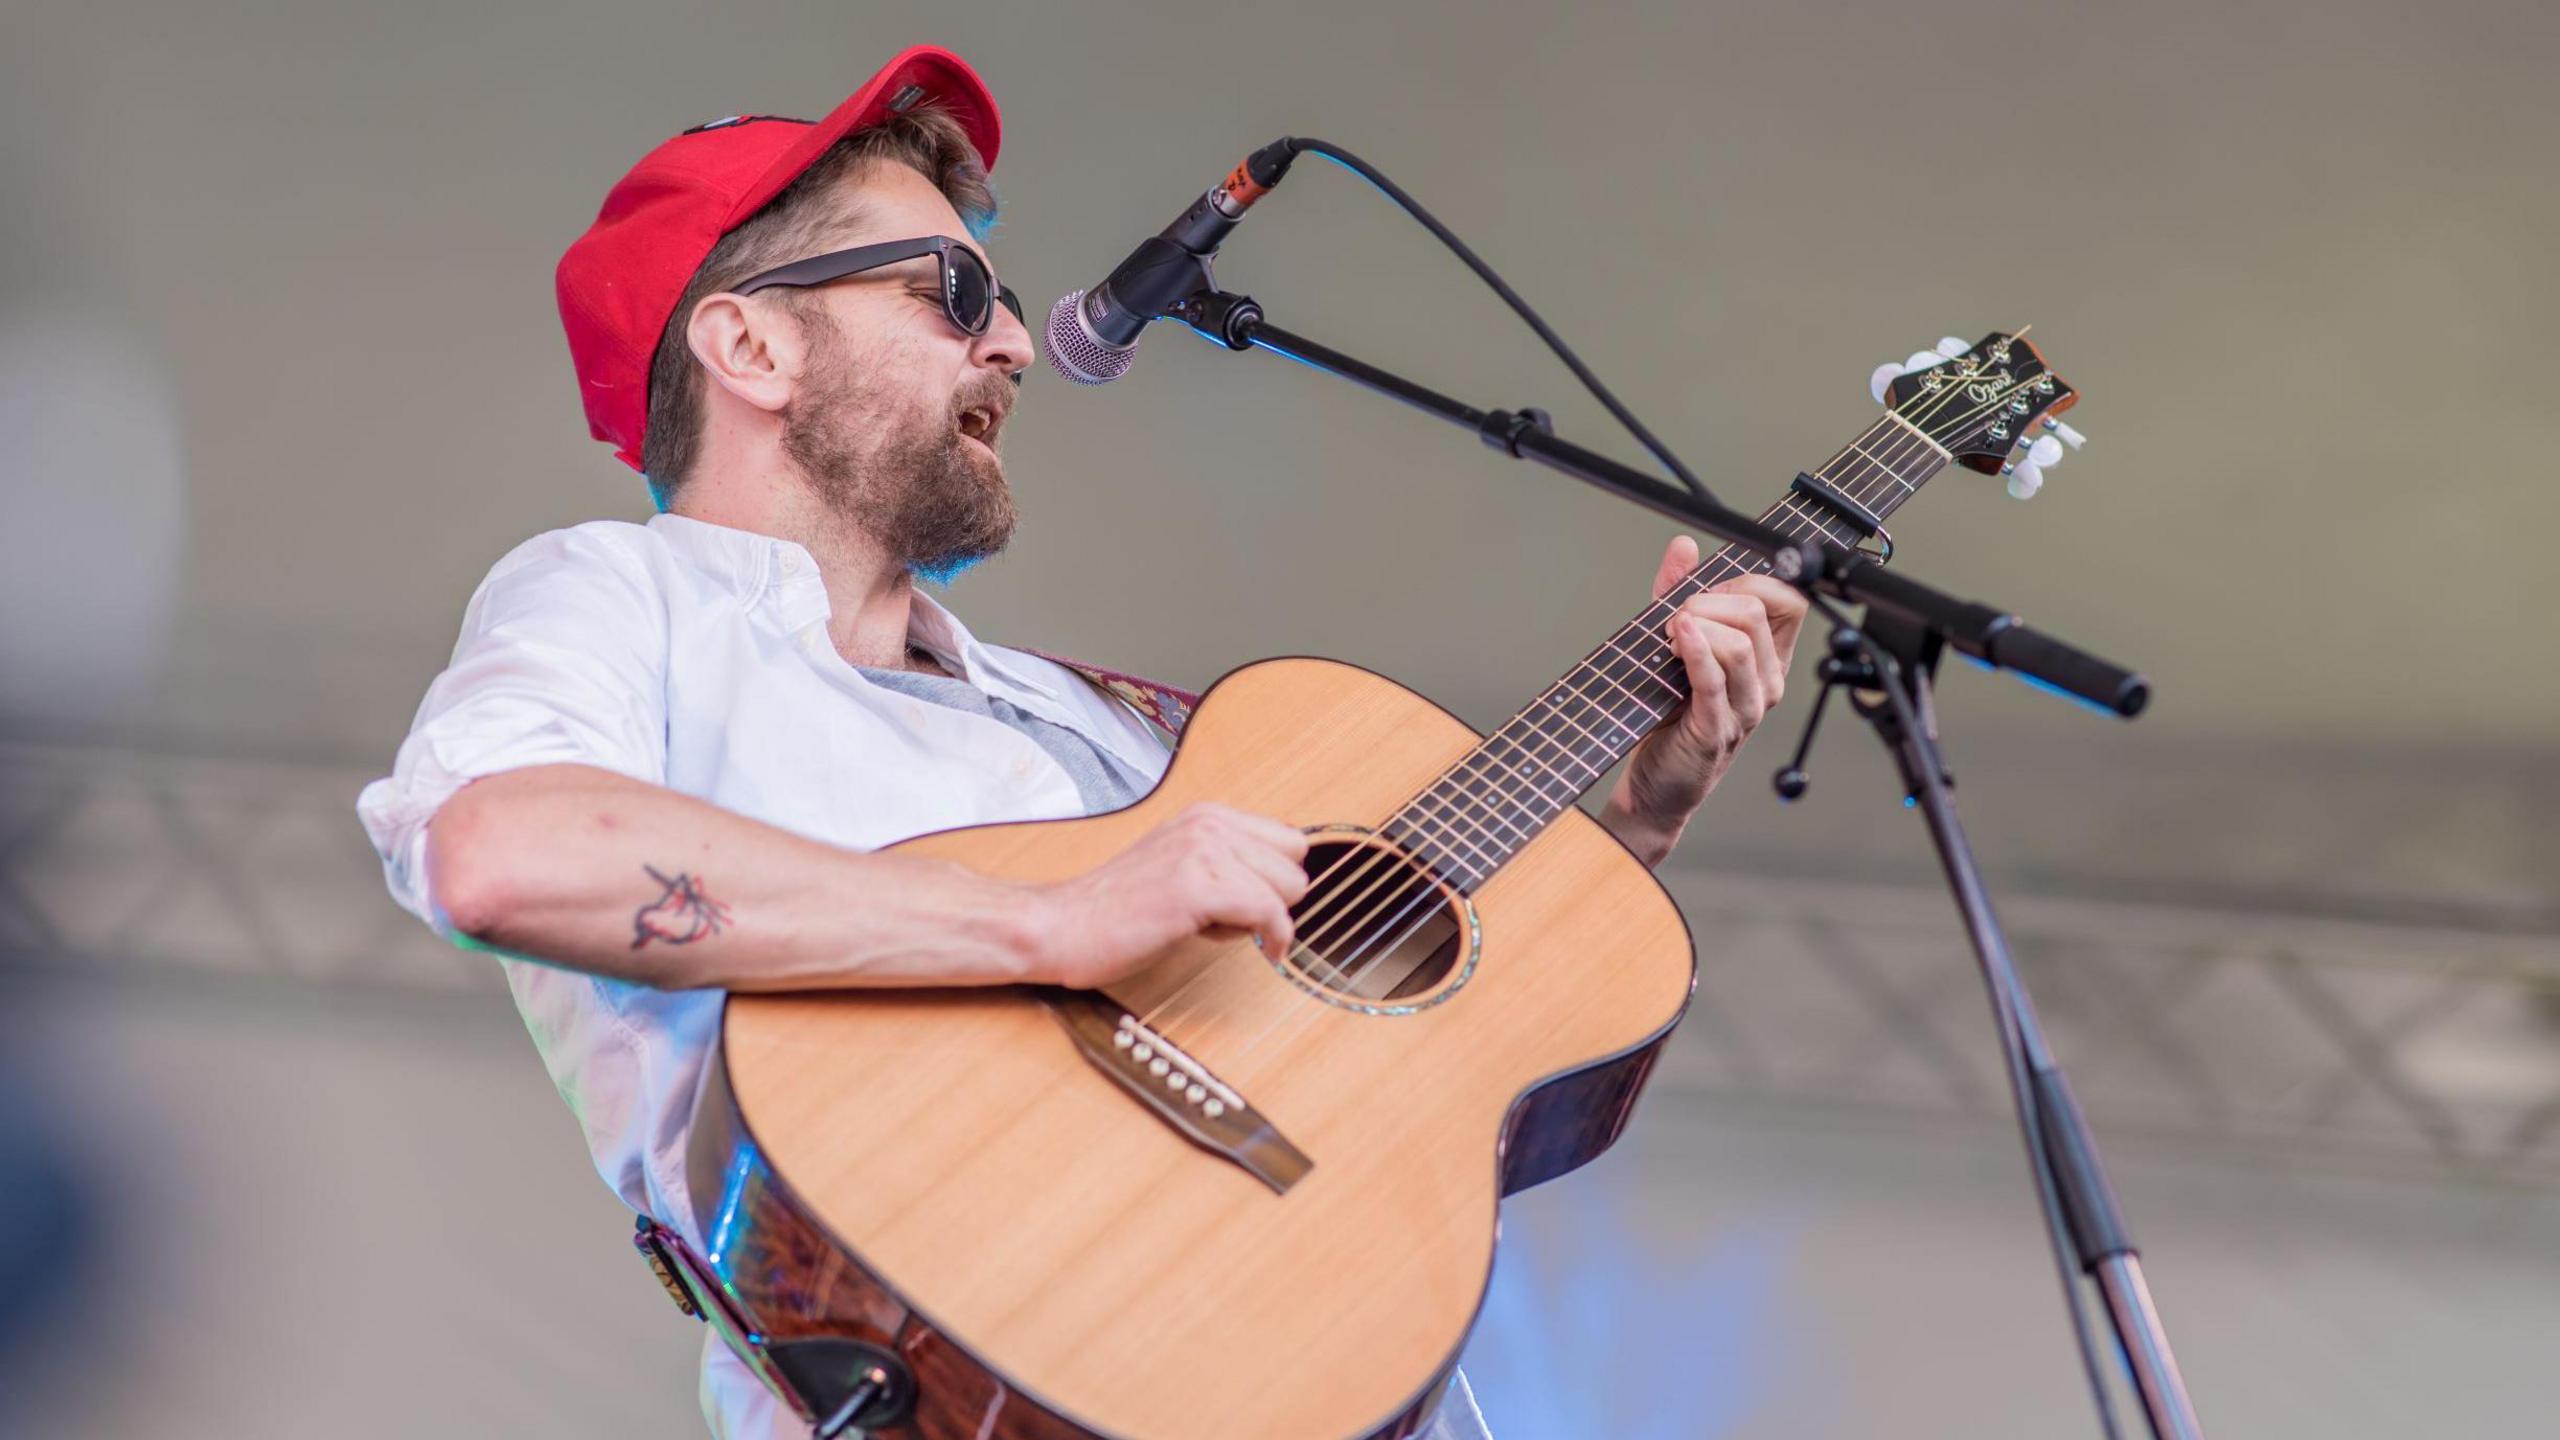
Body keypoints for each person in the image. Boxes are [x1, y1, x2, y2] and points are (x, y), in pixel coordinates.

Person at [355, 43, 1807, 1440]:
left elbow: (1357, 1036)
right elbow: (499, 850)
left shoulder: (1090, 721)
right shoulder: (625, 595)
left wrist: (1623, 822)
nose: (1007, 340)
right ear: (750, 340)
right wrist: (1058, 918)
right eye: (951, 288)